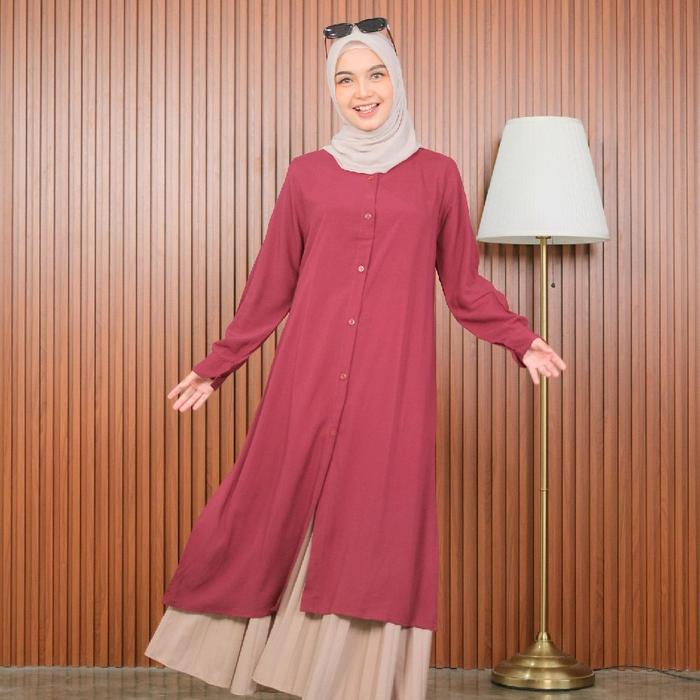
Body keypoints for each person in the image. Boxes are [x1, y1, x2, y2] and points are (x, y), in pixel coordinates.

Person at [144, 18, 566, 700]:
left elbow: (463, 285)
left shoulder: (438, 175)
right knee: (274, 505)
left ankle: (351, 681)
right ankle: (271, 665)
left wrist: (521, 337)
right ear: (331, 91)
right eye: (345, 79)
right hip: (306, 378)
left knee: (375, 520)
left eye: (374, 75)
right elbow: (270, 285)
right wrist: (216, 365)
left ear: (396, 80)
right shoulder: (307, 175)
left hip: (390, 386)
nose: (361, 92)